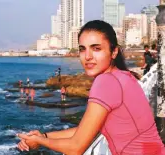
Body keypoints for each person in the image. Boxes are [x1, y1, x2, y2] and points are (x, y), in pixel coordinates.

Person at [17, 20, 165, 155]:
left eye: (96, 48)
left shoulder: (106, 82)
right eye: (82, 49)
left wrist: (40, 142)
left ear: (114, 52)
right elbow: (85, 131)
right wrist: (44, 136)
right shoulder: (125, 76)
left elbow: (76, 148)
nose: (87, 56)